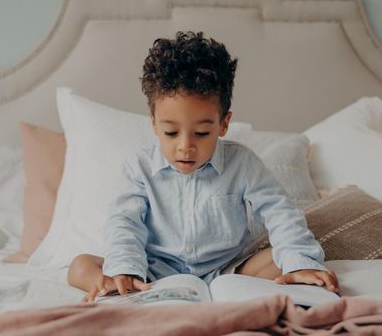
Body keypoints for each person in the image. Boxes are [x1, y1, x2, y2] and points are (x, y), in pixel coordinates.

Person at [68, 31, 339, 302]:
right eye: (171, 133)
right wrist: (125, 269)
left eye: (201, 133)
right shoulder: (139, 167)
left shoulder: (242, 163)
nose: (186, 146)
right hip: (154, 271)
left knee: (282, 258)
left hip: (228, 269)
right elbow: (124, 223)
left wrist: (300, 261)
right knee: (80, 265)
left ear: (223, 123)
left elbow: (280, 212)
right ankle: (115, 285)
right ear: (153, 123)